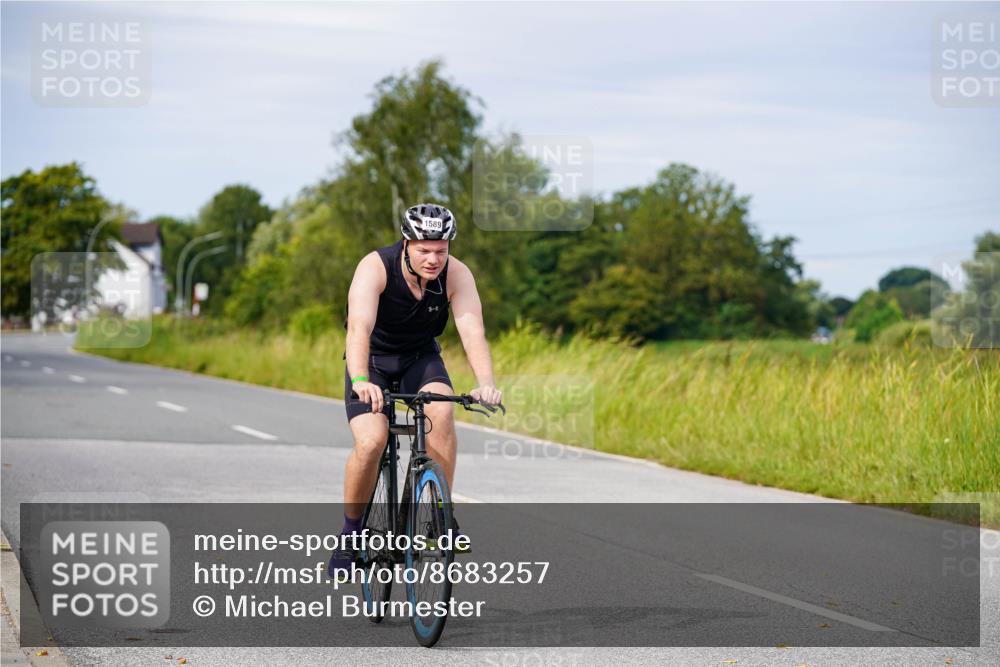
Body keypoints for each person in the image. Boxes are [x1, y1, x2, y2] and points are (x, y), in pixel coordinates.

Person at [329, 203, 502, 575]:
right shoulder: (375, 267)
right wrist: (360, 381)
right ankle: (351, 534)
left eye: (441, 250)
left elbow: (472, 331)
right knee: (372, 441)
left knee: (442, 411)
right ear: (406, 243)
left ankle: (440, 520)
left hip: (420, 358)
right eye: (424, 250)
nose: (433, 259)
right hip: (372, 360)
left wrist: (485, 383)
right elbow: (358, 328)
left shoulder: (457, 275)